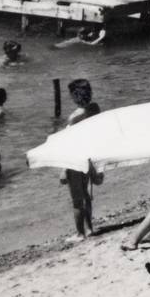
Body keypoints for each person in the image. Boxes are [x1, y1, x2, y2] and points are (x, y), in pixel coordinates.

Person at [61, 81, 103, 238]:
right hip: (88, 156)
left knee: (77, 199)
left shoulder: (74, 117)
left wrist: (64, 169)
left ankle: (80, 234)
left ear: (74, 95)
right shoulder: (95, 108)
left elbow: (68, 144)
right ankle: (90, 228)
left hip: (74, 158)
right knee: (86, 194)